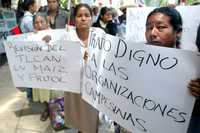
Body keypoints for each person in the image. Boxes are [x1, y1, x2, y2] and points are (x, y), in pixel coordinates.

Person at [145, 6, 200, 133]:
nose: (152, 33)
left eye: (161, 27)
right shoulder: (133, 59)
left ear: (178, 31)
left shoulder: (194, 65)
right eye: (148, 27)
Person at [64, 3, 99, 133]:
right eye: (79, 16)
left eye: (87, 15)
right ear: (74, 19)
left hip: (93, 87)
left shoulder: (100, 34)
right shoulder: (67, 35)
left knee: (92, 120)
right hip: (75, 89)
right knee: (79, 120)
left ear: (92, 18)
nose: (83, 19)